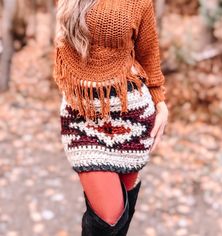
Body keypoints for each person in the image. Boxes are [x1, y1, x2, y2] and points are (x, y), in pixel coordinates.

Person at [53, 0, 168, 235]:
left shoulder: (139, 2)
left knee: (122, 215)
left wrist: (160, 103)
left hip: (131, 115)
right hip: (81, 116)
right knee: (109, 219)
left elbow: (148, 53)